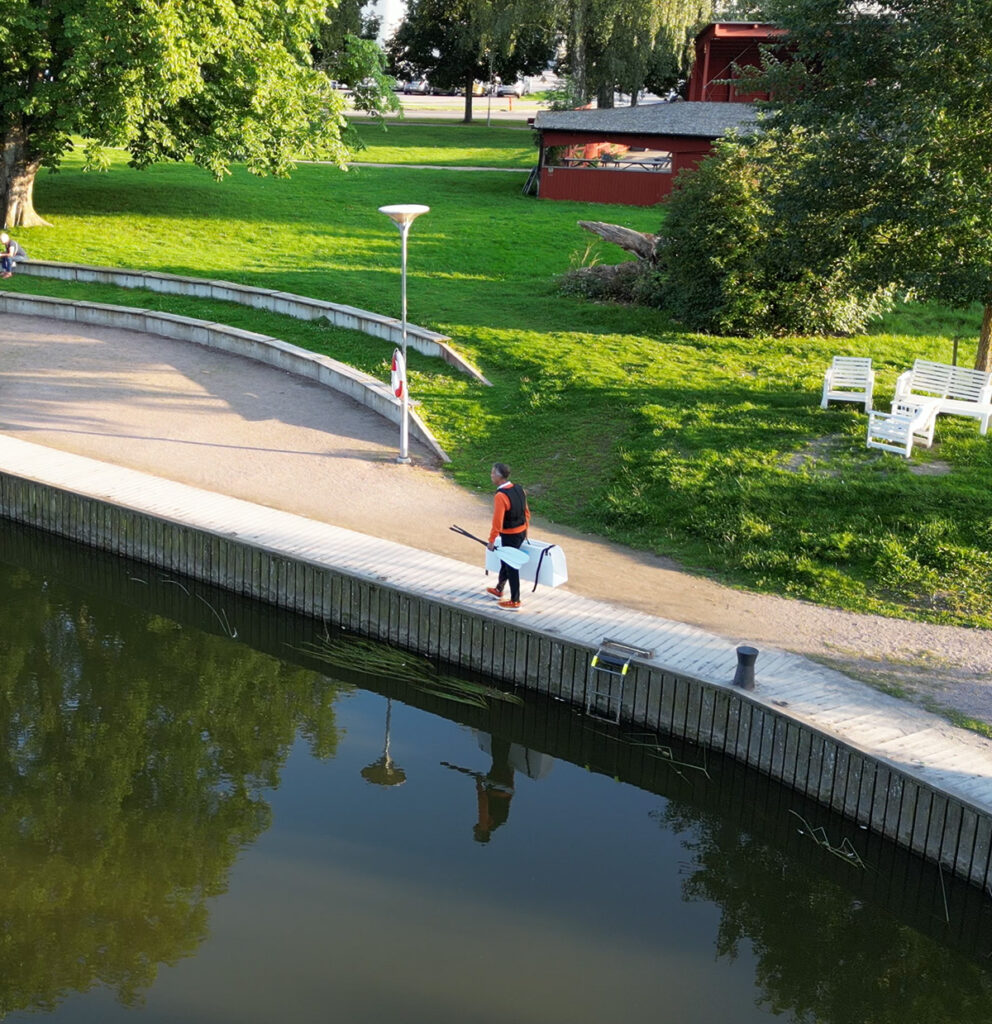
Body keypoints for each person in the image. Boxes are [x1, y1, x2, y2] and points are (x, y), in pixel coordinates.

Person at [485, 461, 530, 610]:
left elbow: (497, 521)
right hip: (521, 532)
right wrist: (526, 531)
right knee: (506, 560)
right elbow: (526, 512)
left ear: (499, 477)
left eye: (492, 473)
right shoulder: (519, 489)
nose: (491, 476)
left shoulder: (500, 496)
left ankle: (515, 600)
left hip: (510, 535)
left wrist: (491, 541)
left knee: (511, 566)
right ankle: (499, 589)